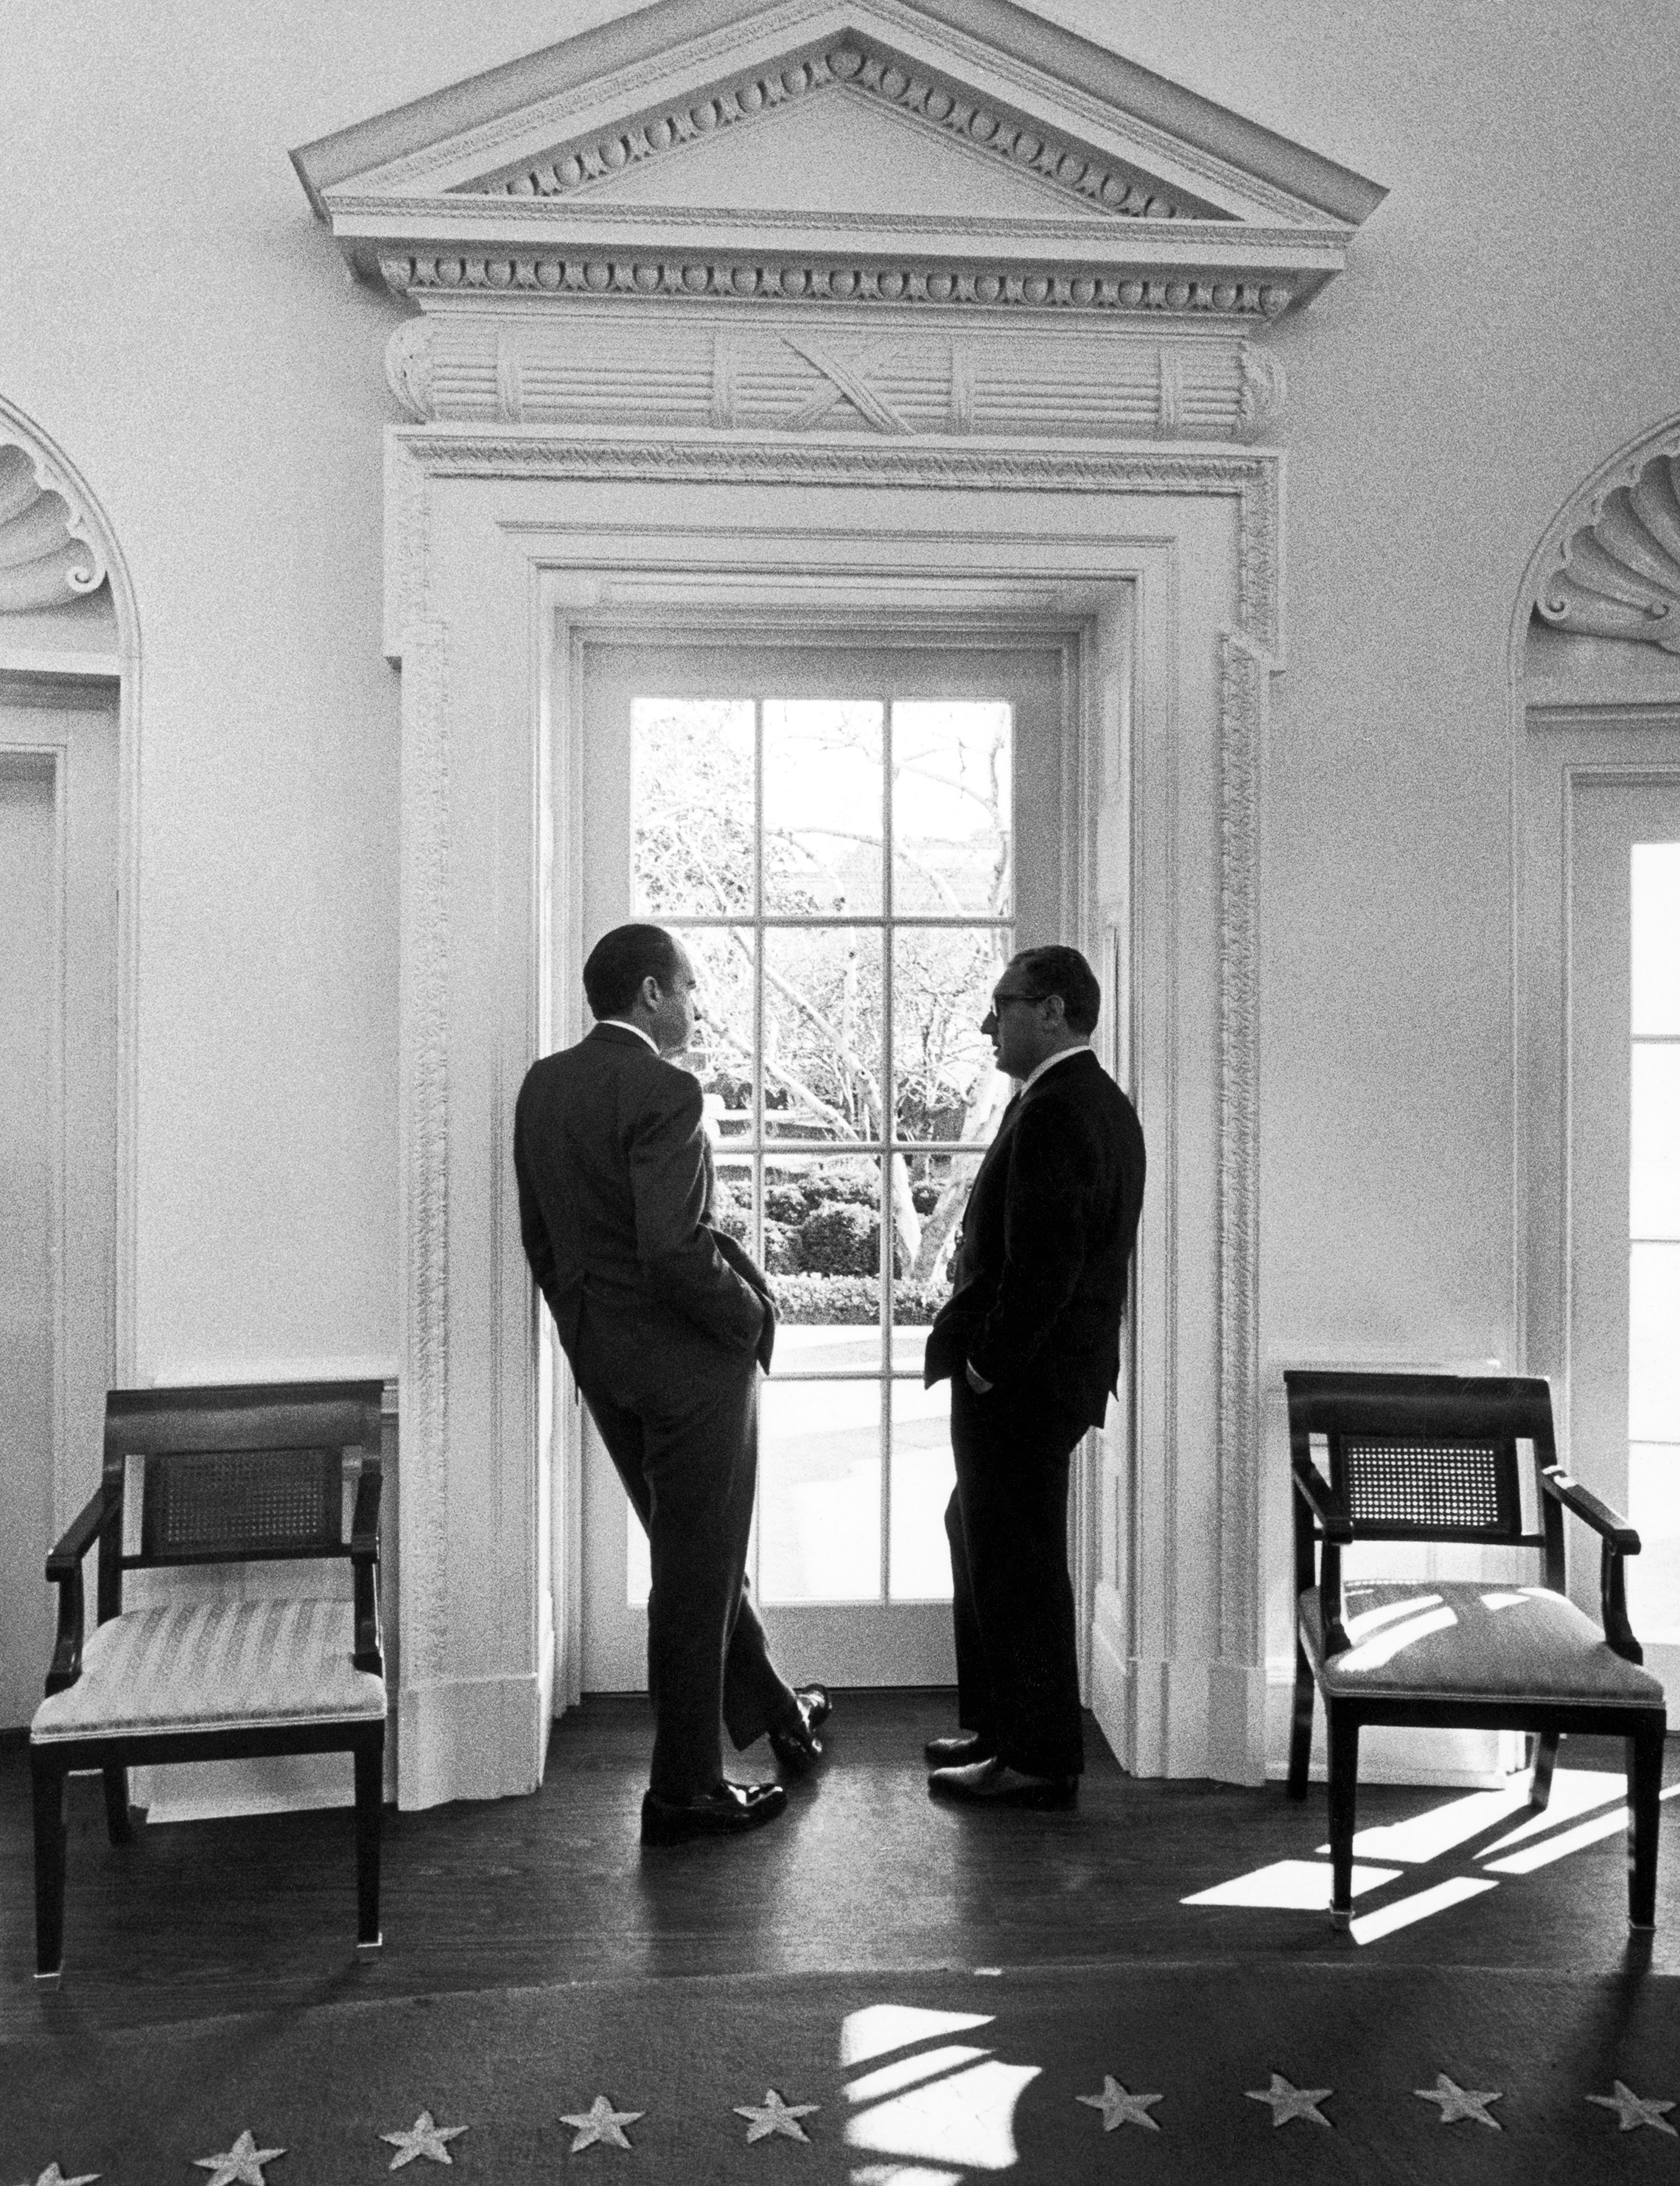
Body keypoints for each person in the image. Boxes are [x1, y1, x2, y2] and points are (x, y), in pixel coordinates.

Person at [514, 922, 830, 1845]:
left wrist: (587, 1336)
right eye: (690, 986)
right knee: (696, 1575)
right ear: (651, 992)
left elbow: (543, 1240)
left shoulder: (543, 1085)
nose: (697, 1005)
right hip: (692, 1371)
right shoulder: (667, 1087)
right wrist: (750, 1319)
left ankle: (776, 1709)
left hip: (604, 1362)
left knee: (698, 1559)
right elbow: (674, 1249)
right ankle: (684, 1788)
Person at [922, 944, 1146, 1809]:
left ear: (1052, 1009)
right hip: (1040, 1378)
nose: (989, 1021)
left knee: (1019, 1559)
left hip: (1022, 1383)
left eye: (1002, 1004)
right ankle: (999, 1726)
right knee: (978, 1533)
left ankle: (1039, 1757)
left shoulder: (1061, 1107)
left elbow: (1046, 1267)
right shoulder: (1075, 1098)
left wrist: (986, 1365)